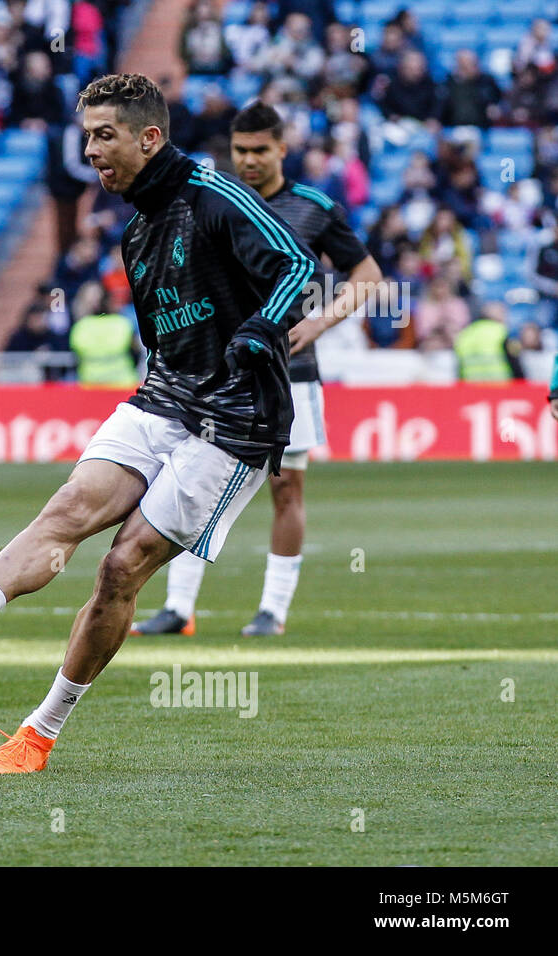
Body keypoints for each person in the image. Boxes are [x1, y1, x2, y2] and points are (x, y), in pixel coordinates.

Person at [0, 73, 322, 774]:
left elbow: (297, 264)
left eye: (105, 135)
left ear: (149, 137)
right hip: (165, 396)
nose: (91, 150)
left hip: (235, 421)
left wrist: (260, 329)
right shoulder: (136, 235)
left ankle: (39, 734)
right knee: (66, 510)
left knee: (120, 567)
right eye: (86, 135)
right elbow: (165, 340)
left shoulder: (214, 196)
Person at [135, 100, 381, 638]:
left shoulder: (313, 207)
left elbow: (368, 277)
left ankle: (274, 609)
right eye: (240, 150)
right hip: (215, 373)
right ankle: (179, 607)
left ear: (282, 150)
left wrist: (317, 324)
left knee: (286, 489)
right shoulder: (210, 200)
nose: (248, 161)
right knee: (188, 483)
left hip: (292, 372)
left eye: (259, 151)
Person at [453, 302, 523, 382]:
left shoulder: (466, 332)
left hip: (471, 384)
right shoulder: (501, 331)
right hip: (498, 384)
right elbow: (514, 360)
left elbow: (459, 363)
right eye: (502, 312)